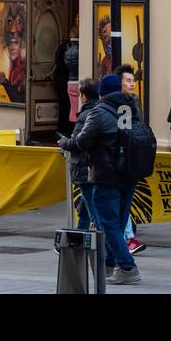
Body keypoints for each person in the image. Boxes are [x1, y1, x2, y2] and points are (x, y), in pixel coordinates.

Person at [60, 73, 142, 285]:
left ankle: (127, 267)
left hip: (106, 175)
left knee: (108, 224)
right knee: (120, 220)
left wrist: (64, 143)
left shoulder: (100, 111)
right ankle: (108, 265)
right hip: (129, 174)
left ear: (102, 94)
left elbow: (81, 142)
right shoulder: (133, 109)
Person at [114, 64, 146, 255]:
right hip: (122, 157)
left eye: (133, 80)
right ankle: (126, 237)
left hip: (129, 157)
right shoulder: (122, 103)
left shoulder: (133, 101)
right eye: (128, 80)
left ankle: (126, 237)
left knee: (121, 200)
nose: (132, 83)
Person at [61, 78, 100, 230]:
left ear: (84, 96)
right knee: (84, 210)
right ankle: (79, 240)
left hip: (84, 169)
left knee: (94, 214)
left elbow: (76, 143)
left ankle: (107, 248)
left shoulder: (84, 116)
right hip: (95, 166)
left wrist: (64, 142)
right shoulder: (100, 111)